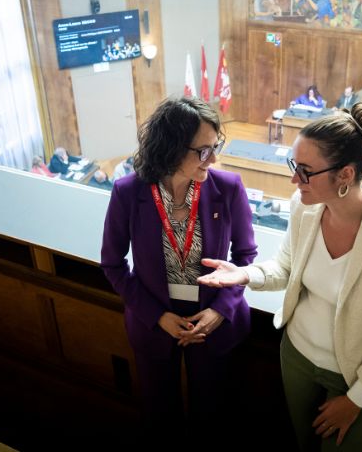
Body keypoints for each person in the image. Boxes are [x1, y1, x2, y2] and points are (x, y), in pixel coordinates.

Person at [199, 103, 362, 450]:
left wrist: (355, 400)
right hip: (298, 360)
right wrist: (244, 274)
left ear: (345, 175)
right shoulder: (303, 206)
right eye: (294, 165)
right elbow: (286, 269)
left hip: (361, 379)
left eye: (305, 170)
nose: (294, 179)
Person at [100, 97, 257, 436]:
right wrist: (157, 316)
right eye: (203, 151)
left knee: (211, 415)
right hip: (154, 319)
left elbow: (246, 257)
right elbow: (112, 263)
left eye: (215, 147)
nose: (213, 159)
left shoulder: (228, 188)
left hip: (213, 319)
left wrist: (219, 312)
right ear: (171, 148)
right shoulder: (128, 192)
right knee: (160, 416)